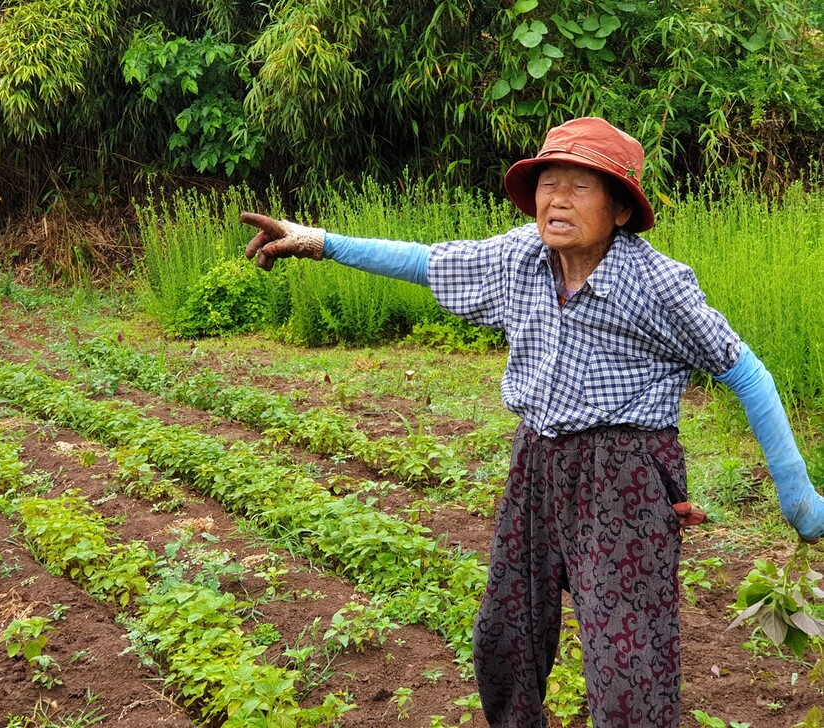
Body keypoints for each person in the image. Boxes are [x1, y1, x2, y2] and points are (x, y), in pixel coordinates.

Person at [240, 117, 824, 728]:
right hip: (536, 462)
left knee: (629, 677)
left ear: (620, 210)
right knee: (503, 641)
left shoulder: (658, 286)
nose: (557, 198)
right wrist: (318, 241)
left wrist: (797, 496)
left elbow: (746, 372)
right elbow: (427, 261)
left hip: (623, 480)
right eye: (549, 182)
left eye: (580, 186)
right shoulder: (520, 256)